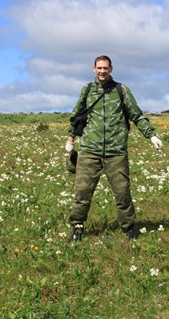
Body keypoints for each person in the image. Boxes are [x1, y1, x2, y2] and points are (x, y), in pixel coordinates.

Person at [65, 55, 163, 242]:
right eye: (99, 68)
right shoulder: (87, 90)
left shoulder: (121, 90)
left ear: (111, 69)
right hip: (89, 150)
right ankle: (77, 227)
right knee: (82, 192)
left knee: (122, 191)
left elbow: (136, 115)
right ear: (94, 69)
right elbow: (76, 116)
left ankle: (129, 227)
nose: (102, 71)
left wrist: (151, 135)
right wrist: (70, 140)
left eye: (105, 68)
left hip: (116, 151)